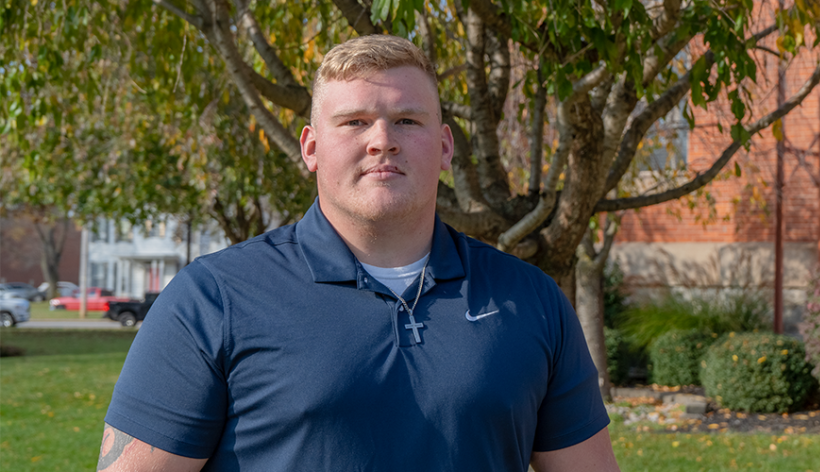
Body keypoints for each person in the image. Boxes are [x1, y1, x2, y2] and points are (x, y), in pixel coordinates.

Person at [98, 35, 620, 472]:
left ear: (444, 147)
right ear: (310, 148)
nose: (382, 141)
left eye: (408, 121)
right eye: (353, 122)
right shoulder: (212, 298)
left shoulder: (529, 298)